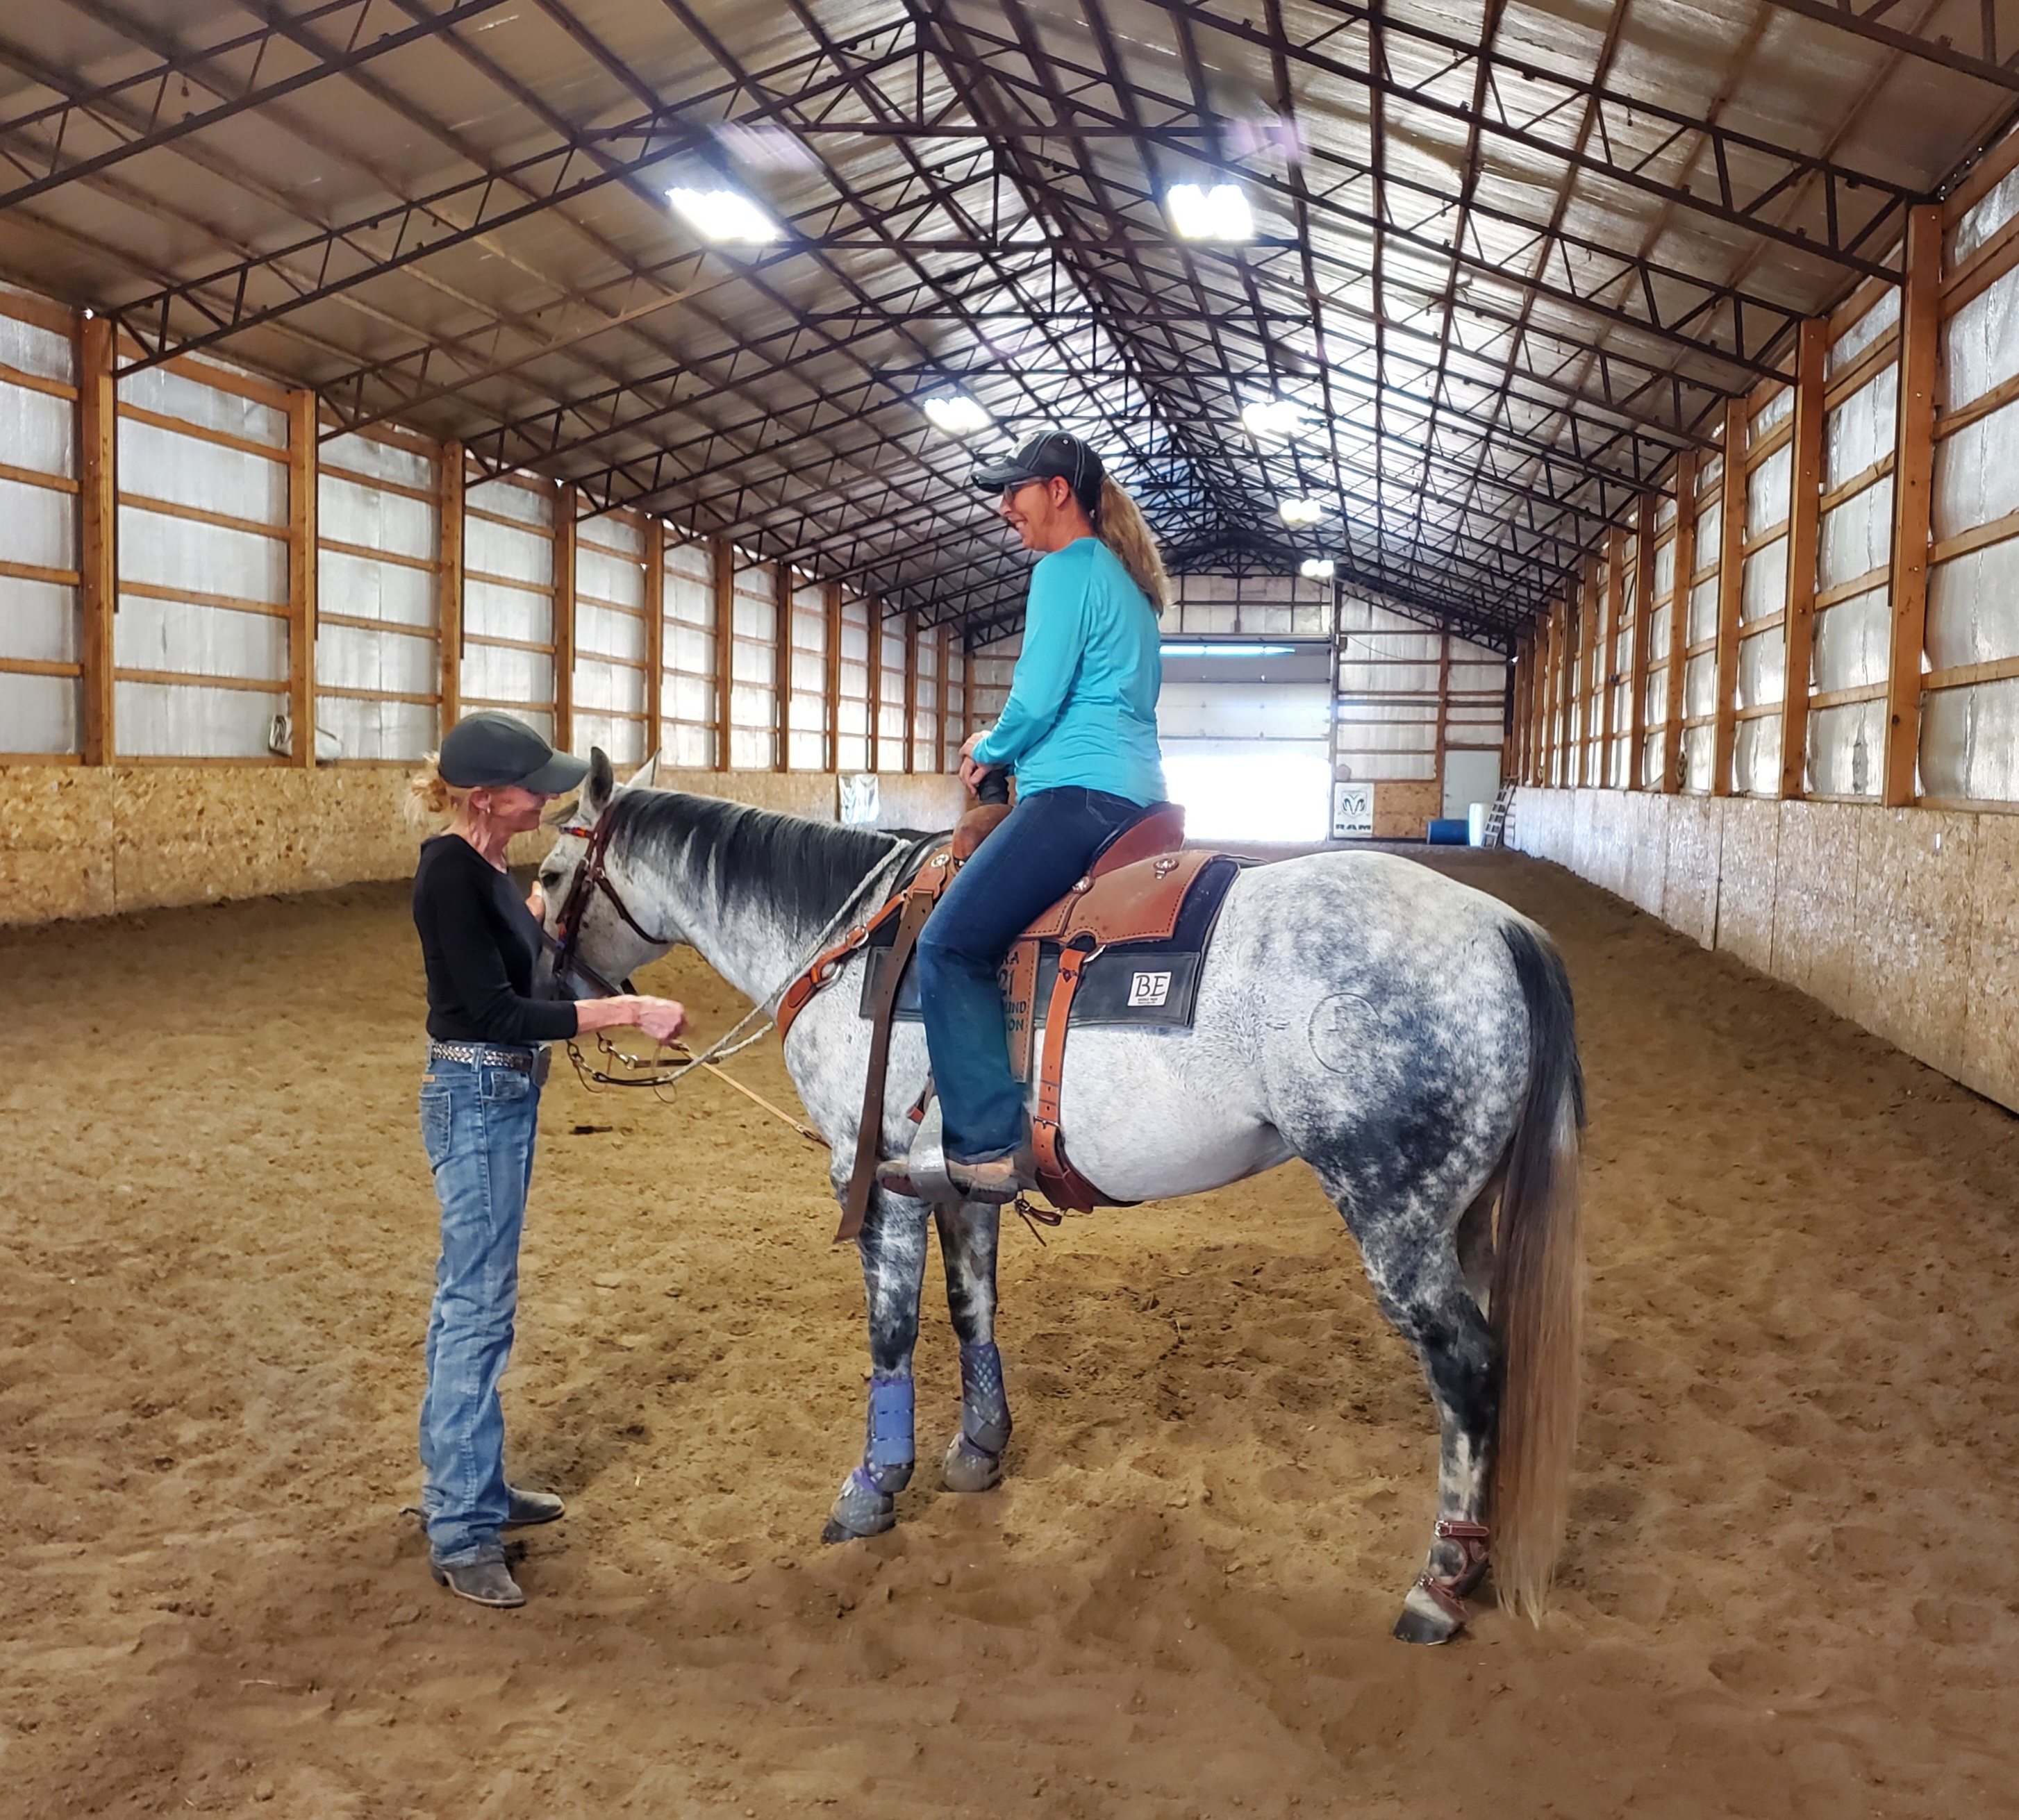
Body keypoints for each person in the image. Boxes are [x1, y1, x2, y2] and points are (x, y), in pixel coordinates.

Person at [406, 711, 686, 1608]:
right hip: (477, 1090)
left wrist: (549, 904)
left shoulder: (488, 869)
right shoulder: (448, 874)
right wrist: (625, 1015)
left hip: (503, 1096)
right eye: (535, 788)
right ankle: (458, 1526)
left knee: (485, 1302)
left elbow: (525, 955)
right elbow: (495, 1011)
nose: (548, 796)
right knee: (474, 1310)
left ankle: (475, 1487)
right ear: (488, 798)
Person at [880, 430, 1171, 1204]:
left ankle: (980, 1145)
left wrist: (988, 744)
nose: (1004, 505)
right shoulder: (1130, 588)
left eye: (1016, 490)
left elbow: (1037, 702)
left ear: (1060, 491)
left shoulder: (1066, 569)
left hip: (1075, 795)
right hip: (1138, 797)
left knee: (947, 945)